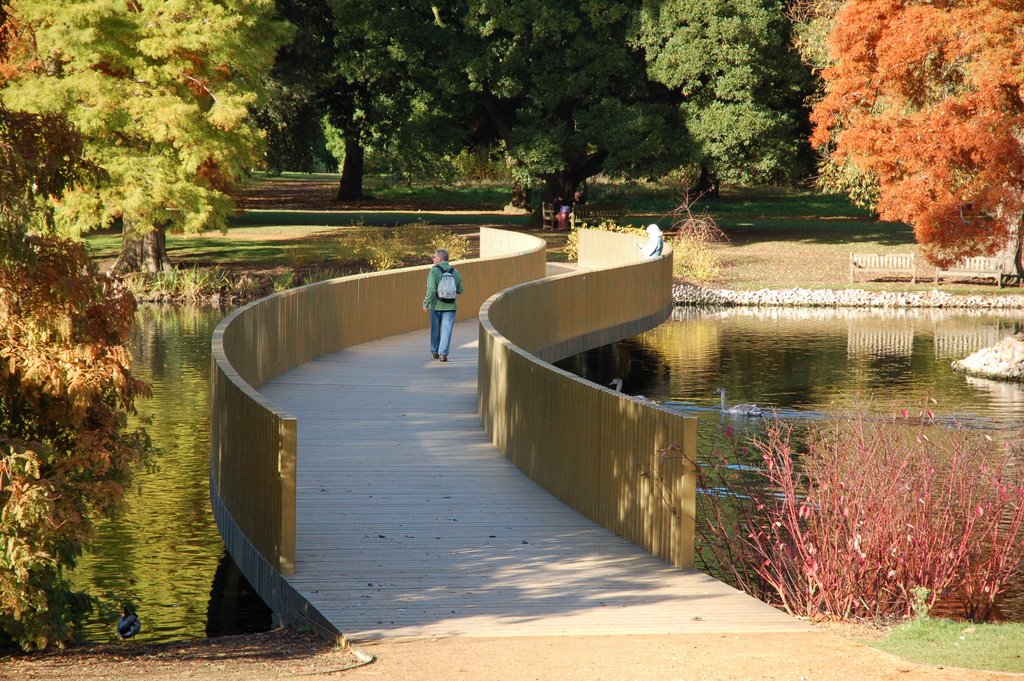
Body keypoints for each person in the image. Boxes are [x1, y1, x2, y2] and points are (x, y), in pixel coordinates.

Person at [423, 248, 464, 362]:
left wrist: (426, 303)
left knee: (435, 329)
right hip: (450, 306)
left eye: (434, 257)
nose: (433, 258)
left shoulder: (434, 271)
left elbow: (431, 289)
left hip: (436, 306)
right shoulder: (455, 272)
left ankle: (435, 351)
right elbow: (460, 290)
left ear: (440, 258)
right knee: (447, 330)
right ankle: (443, 353)